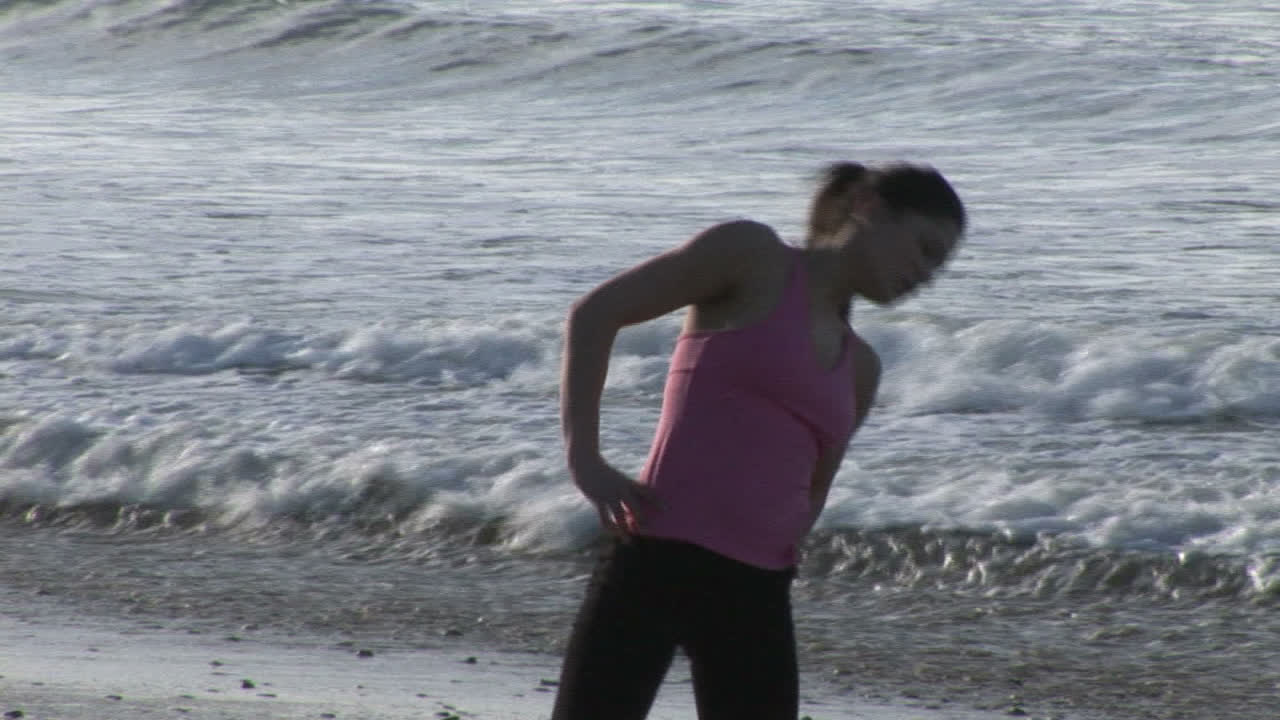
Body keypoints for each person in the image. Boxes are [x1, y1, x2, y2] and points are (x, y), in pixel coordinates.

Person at [553, 162, 966, 720]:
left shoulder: (861, 369)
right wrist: (585, 459)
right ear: (868, 206)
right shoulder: (751, 256)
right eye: (924, 249)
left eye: (939, 267)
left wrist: (769, 542)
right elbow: (595, 314)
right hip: (657, 562)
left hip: (757, 591)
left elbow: (813, 491)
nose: (925, 275)